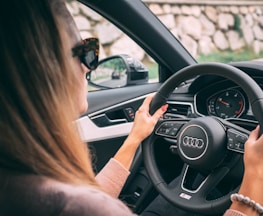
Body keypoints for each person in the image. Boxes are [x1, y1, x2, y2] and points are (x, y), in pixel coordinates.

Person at [0, 0, 262, 216]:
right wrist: (250, 191)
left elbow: (91, 198)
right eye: (87, 52)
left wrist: (135, 138)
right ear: (46, 68)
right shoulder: (78, 206)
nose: (88, 66)